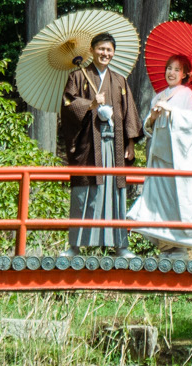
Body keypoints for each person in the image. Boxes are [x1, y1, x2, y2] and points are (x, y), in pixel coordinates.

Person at [59, 34, 141, 253]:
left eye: (109, 50)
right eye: (101, 49)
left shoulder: (120, 80)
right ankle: (75, 247)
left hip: (114, 146)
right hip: (88, 146)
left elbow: (129, 113)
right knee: (84, 193)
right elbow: (67, 105)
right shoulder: (77, 76)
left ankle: (120, 246)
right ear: (92, 50)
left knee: (115, 192)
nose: (105, 53)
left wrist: (130, 143)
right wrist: (90, 104)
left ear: (113, 53)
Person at [127, 53, 192, 255]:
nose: (171, 73)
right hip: (160, 157)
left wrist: (172, 111)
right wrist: (153, 117)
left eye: (176, 69)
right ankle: (164, 245)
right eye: (169, 68)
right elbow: (148, 128)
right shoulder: (159, 95)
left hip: (179, 159)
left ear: (184, 75)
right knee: (158, 201)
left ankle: (179, 245)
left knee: (177, 201)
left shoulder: (186, 95)